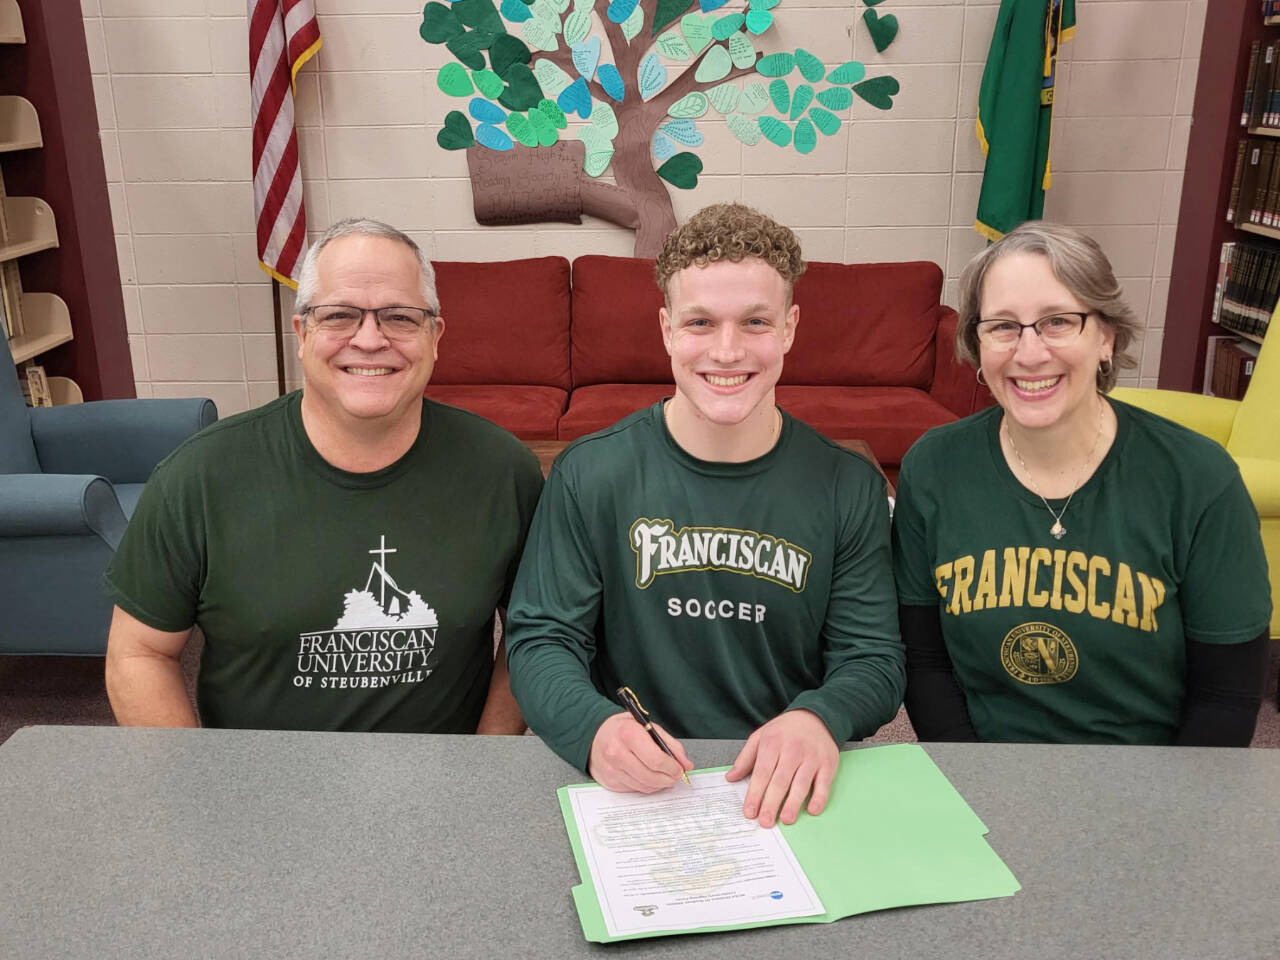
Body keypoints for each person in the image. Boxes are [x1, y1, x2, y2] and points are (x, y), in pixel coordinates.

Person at [505, 203, 905, 827]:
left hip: (784, 783)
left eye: (755, 322)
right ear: (666, 329)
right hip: (635, 783)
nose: (727, 350)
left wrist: (820, 716)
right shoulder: (591, 474)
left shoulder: (847, 485)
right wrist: (594, 730)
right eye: (700, 322)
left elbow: (873, 658)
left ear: (790, 327)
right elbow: (541, 639)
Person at [104, 218, 543, 733]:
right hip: (261, 789)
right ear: (302, 332)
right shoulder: (198, 478)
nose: (370, 339)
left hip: (441, 789)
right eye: (339, 315)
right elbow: (139, 654)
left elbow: (532, 634)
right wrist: (195, 788)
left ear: (434, 336)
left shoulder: (503, 471)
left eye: (400, 316)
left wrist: (486, 760)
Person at [892, 220, 1271, 746]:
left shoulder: (1199, 480)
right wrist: (971, 785)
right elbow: (926, 662)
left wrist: (1167, 817)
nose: (1029, 353)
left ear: (1107, 336)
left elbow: (1225, 699)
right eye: (1003, 326)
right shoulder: (933, 467)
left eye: (1057, 322)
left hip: (1148, 782)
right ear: (978, 345)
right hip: (982, 771)